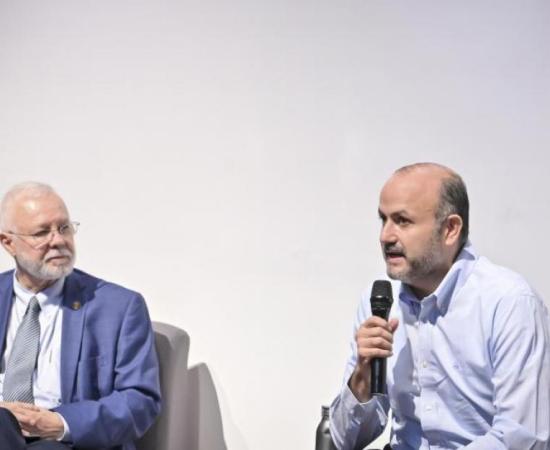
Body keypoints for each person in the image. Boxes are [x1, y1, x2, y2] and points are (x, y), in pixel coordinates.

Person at [330, 163, 550, 450]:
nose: (386, 235)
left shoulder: (509, 302)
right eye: (383, 219)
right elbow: (343, 441)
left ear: (450, 229)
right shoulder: (380, 302)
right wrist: (361, 379)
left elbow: (523, 438)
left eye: (403, 221)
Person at [0, 182, 161, 449]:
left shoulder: (118, 307)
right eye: (42, 232)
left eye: (64, 228)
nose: (59, 240)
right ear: (8, 242)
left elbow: (140, 400)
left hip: (68, 441)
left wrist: (62, 424)